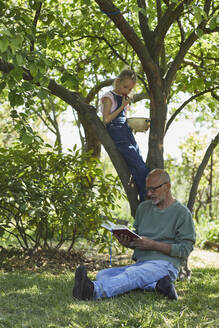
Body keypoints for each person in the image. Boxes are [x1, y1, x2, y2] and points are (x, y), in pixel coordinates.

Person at [72, 169, 196, 301]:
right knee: (103, 274)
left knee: (133, 274)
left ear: (167, 187)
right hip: (142, 264)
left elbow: (185, 249)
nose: (149, 193)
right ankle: (158, 285)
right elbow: (138, 240)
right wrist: (128, 242)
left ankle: (92, 291)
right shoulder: (143, 208)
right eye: (147, 189)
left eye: (153, 189)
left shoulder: (182, 213)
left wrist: (153, 245)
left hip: (165, 265)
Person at [101, 68, 149, 202]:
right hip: (116, 132)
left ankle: (143, 193)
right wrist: (122, 107)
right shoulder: (109, 97)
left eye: (130, 89)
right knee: (137, 163)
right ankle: (146, 195)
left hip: (125, 132)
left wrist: (134, 126)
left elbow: (122, 119)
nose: (127, 91)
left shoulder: (123, 99)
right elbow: (106, 119)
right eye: (125, 87)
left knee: (139, 161)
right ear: (117, 82)